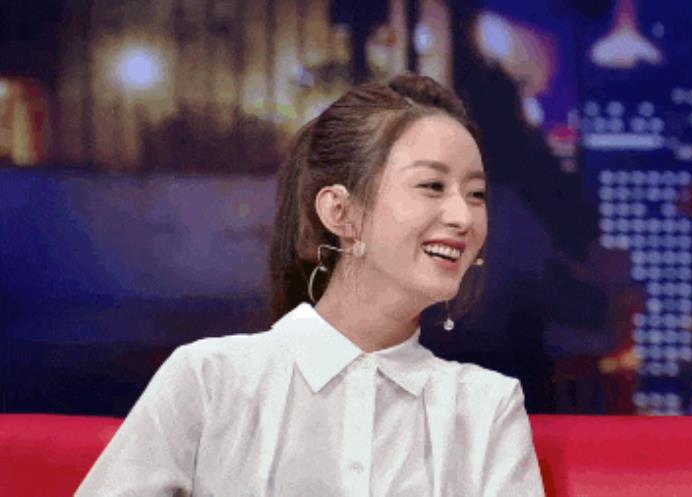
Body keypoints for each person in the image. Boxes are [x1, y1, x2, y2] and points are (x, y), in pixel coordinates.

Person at [76, 73, 545, 496]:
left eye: (476, 194)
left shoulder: (487, 407)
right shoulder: (210, 379)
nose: (464, 217)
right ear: (340, 211)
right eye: (432, 186)